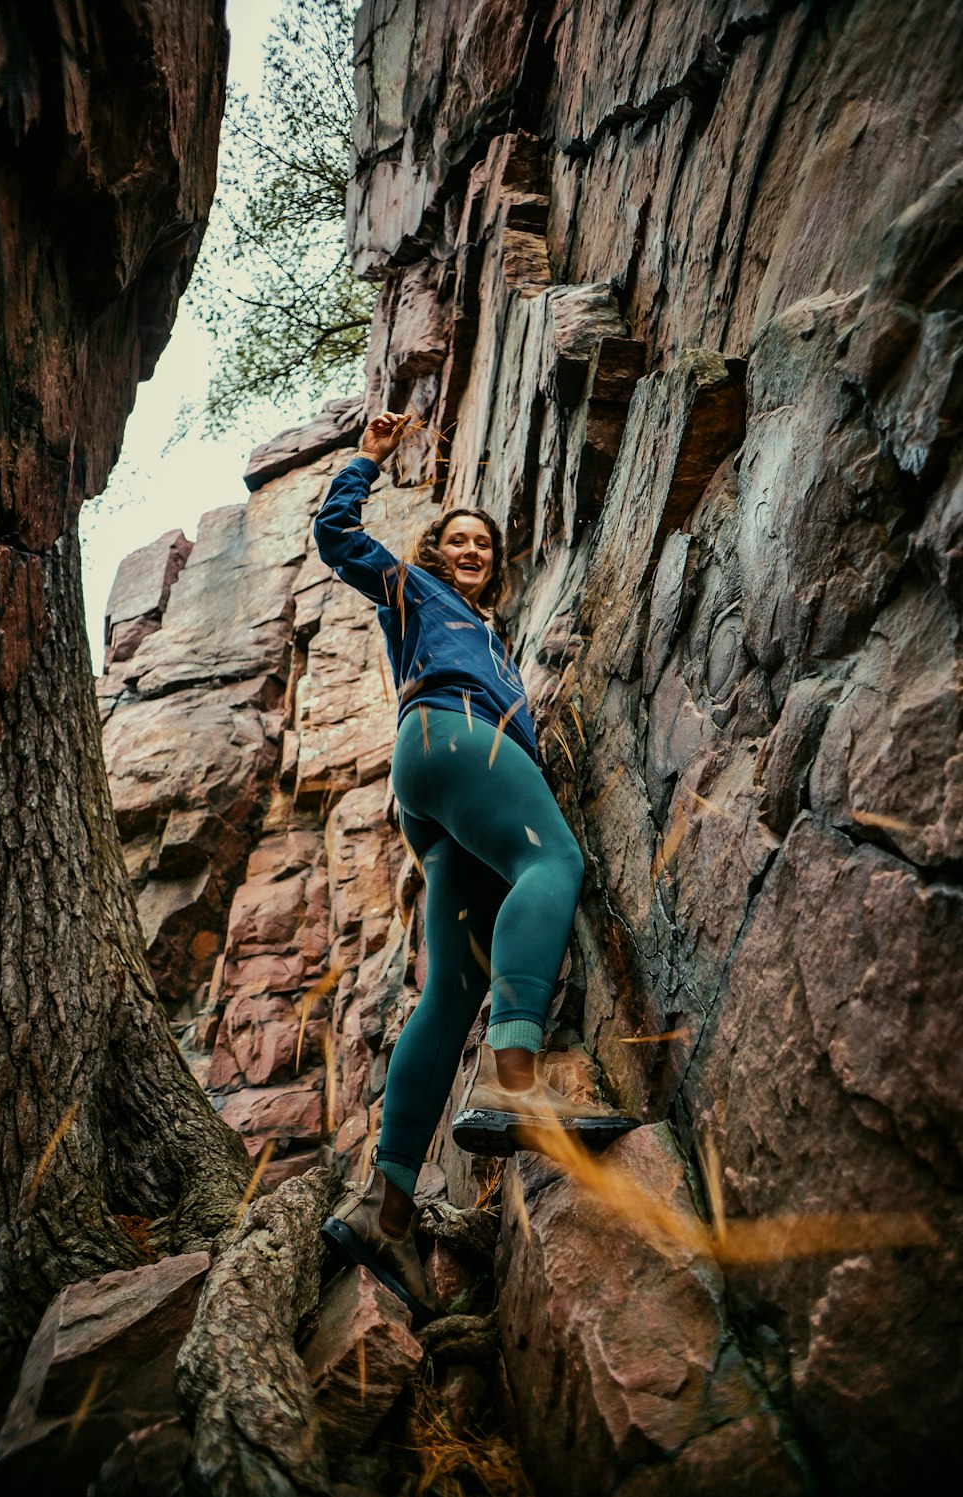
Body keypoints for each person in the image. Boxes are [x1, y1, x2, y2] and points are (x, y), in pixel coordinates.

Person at [314, 412, 635, 1323]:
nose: (469, 549)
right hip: (454, 739)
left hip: (435, 789)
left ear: (496, 564)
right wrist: (367, 460)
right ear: (432, 552)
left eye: (482, 543)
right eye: (455, 538)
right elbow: (337, 538)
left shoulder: (487, 633)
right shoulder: (412, 591)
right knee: (556, 860)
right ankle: (516, 1075)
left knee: (450, 988)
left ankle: (384, 1203)